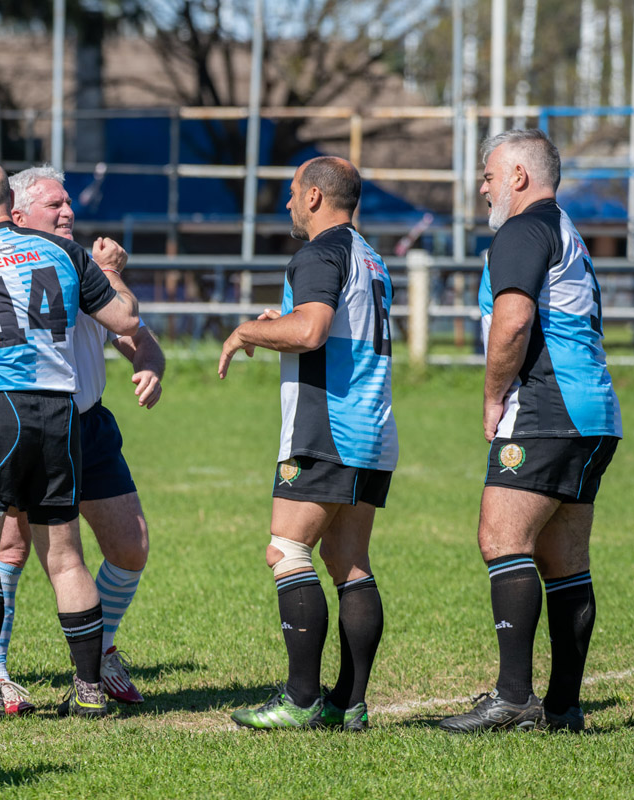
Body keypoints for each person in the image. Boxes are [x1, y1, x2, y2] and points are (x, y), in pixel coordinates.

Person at [0, 161, 140, 719]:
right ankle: (89, 693)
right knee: (65, 559)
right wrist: (109, 273)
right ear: (9, 205)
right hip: (61, 413)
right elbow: (126, 318)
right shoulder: (65, 254)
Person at [439, 129, 621, 734]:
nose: (483, 186)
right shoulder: (564, 228)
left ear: (519, 175)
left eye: (489, 175)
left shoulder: (522, 228)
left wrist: (493, 397)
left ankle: (514, 697)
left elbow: (513, 323)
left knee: (501, 538)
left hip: (548, 408)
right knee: (564, 558)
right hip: (593, 412)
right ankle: (564, 708)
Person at [219, 156, 396, 731]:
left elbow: (313, 331)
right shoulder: (369, 256)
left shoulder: (318, 252)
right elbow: (324, 325)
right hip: (372, 427)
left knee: (286, 551)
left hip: (327, 429)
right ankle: (350, 702)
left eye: (294, 193)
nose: (289, 203)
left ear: (316, 196)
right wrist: (287, 320)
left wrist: (248, 330)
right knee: (348, 564)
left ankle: (300, 699)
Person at [0, 166, 163, 714]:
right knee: (11, 548)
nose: (68, 212)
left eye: (68, 204)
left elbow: (136, 331)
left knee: (130, 546)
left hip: (87, 425)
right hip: (25, 423)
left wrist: (150, 364)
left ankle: (101, 649)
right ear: (17, 216)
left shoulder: (86, 265)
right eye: (53, 205)